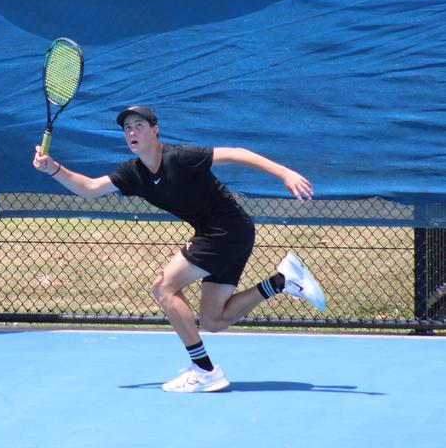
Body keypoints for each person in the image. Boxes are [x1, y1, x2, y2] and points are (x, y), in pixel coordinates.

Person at [33, 105, 325, 393]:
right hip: (227, 234)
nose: (132, 132)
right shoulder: (133, 173)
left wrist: (284, 173)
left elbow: (237, 153)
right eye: (127, 128)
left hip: (226, 230)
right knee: (214, 320)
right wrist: (53, 169)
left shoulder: (180, 157)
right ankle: (282, 281)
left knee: (164, 287)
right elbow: (91, 188)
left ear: (155, 131)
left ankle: (205, 371)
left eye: (139, 126)